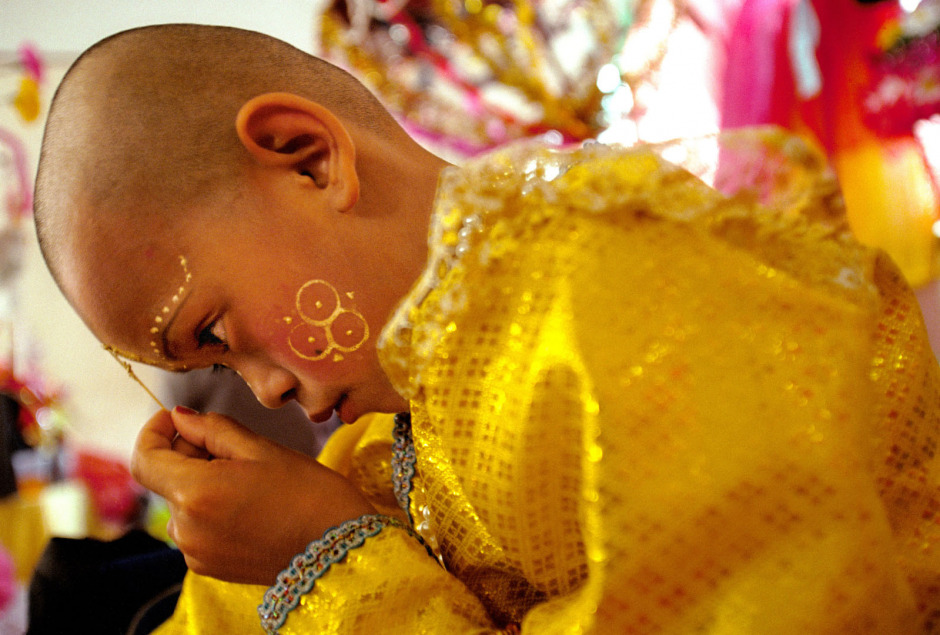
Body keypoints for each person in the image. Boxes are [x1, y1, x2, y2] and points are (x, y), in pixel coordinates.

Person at [31, 23, 940, 634]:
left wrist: (329, 556)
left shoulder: (636, 290)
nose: (263, 388)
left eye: (218, 332)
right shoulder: (398, 436)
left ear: (308, 159)